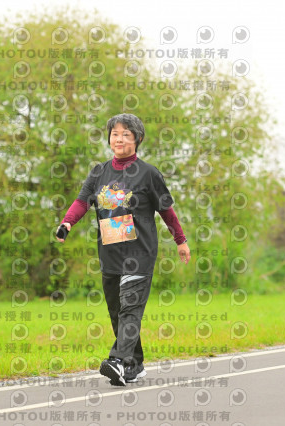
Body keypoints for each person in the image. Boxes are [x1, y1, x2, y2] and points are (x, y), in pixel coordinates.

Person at [56, 113, 191, 386]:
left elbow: (166, 210)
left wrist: (180, 239)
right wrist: (67, 222)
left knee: (130, 307)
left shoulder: (148, 173)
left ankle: (117, 360)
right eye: (115, 134)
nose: (119, 139)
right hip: (110, 252)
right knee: (117, 311)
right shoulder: (99, 172)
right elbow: (82, 202)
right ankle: (134, 364)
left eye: (126, 135)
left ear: (137, 139)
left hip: (139, 252)